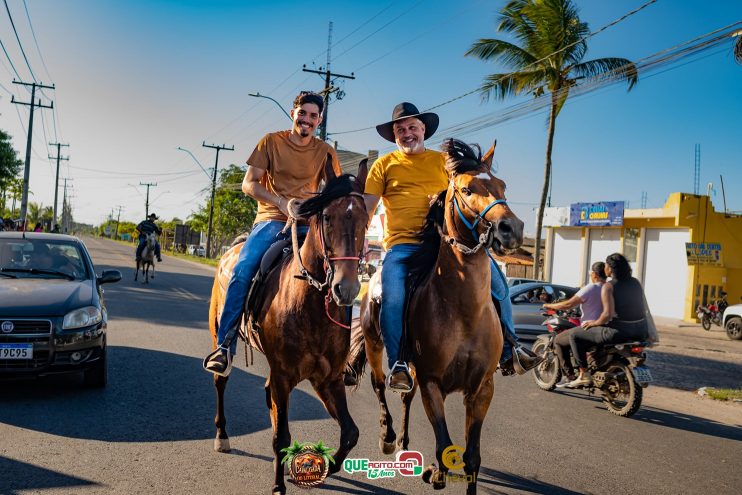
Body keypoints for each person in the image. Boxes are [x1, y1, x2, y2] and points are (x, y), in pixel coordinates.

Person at [363, 102, 541, 392]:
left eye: (412, 127)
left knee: (499, 286)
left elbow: (471, 193)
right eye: (400, 130)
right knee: (392, 296)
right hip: (402, 246)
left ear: (423, 130)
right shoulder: (383, 165)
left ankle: (511, 349)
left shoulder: (443, 164)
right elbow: (368, 208)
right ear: (394, 136)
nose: (407, 133)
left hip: (446, 241)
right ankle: (397, 363)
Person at [203, 91, 341, 377]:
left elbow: (335, 190)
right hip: (272, 220)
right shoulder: (270, 142)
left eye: (313, 116)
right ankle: (225, 345)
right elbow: (249, 183)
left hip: (309, 223)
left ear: (320, 119)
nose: (307, 119)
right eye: (303, 113)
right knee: (243, 269)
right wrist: (281, 202)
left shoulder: (325, 151)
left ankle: (344, 352)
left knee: (342, 271)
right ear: (293, 113)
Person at [567, 253, 650, 388]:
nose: (605, 267)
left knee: (574, 334)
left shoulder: (609, 286)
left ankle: (583, 375)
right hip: (641, 331)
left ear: (610, 268)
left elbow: (607, 314)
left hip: (619, 332)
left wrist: (593, 323)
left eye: (606, 264)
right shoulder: (635, 282)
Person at [543, 261, 606, 382]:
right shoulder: (609, 287)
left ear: (594, 274)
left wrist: (550, 305)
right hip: (606, 328)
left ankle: (571, 375)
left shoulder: (591, 288)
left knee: (559, 340)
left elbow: (568, 304)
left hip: (590, 328)